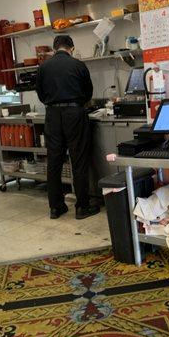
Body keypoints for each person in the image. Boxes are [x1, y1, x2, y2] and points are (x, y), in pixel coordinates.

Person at [36, 35, 100, 220]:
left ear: (54, 49)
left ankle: (55, 208)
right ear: (71, 48)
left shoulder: (43, 67)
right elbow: (88, 93)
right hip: (75, 114)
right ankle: (82, 208)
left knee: (54, 162)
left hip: (52, 115)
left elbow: (40, 94)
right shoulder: (78, 65)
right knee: (78, 160)